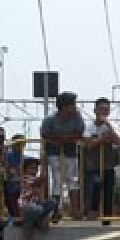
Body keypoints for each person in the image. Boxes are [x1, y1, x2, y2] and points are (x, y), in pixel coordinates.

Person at [39, 91, 85, 219]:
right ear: (64, 106)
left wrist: (64, 139)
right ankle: (55, 211)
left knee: (73, 180)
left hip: (71, 153)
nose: (75, 107)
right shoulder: (50, 119)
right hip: (54, 153)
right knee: (57, 181)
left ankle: (75, 210)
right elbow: (45, 135)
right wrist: (61, 139)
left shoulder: (77, 117)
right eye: (73, 104)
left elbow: (80, 133)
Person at [83, 97, 120, 219]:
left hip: (109, 165)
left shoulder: (112, 126)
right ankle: (92, 216)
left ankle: (107, 220)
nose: (103, 112)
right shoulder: (88, 127)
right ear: (95, 110)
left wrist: (109, 126)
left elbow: (118, 142)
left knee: (109, 194)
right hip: (93, 166)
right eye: (101, 109)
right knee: (94, 192)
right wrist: (102, 140)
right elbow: (88, 145)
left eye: (106, 110)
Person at [18, 157, 59, 229]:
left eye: (36, 168)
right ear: (25, 169)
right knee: (37, 208)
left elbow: (42, 182)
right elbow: (37, 180)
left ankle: (39, 220)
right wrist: (43, 169)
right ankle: (36, 221)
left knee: (53, 201)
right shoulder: (25, 178)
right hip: (27, 206)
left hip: (37, 205)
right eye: (32, 168)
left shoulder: (36, 178)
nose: (35, 170)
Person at [3, 134, 26, 220]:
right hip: (10, 187)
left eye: (22, 144)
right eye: (17, 144)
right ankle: (16, 220)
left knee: (20, 207)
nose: (20, 147)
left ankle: (19, 220)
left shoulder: (25, 157)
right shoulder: (8, 155)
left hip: (22, 188)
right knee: (13, 208)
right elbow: (7, 167)